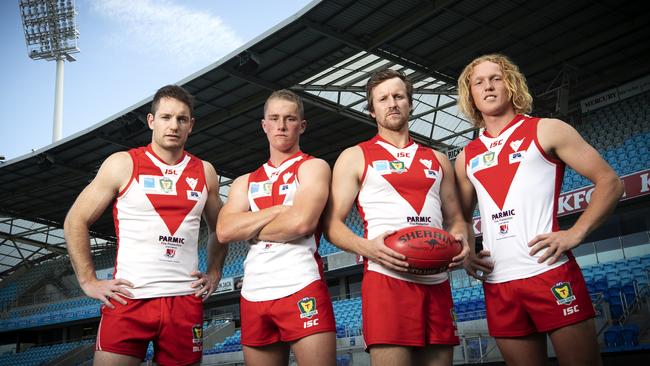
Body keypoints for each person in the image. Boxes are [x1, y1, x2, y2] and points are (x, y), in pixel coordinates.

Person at [455, 53, 624, 366]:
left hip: (549, 271)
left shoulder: (548, 129)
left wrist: (576, 232)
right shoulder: (467, 156)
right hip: (498, 281)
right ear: (471, 95)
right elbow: (461, 216)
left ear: (512, 85)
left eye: (496, 78)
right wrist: (467, 250)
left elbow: (610, 183)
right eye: (479, 82)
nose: (488, 87)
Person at [64, 85, 227, 366]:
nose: (173, 125)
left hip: (183, 301)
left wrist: (214, 272)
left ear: (191, 125)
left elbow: (221, 229)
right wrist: (88, 281)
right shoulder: (123, 164)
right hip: (129, 299)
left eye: (181, 119)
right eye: (165, 117)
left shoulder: (205, 171)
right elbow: (75, 220)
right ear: (151, 121)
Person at [323, 69, 470, 366]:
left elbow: (456, 219)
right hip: (386, 281)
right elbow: (331, 225)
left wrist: (461, 241)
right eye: (383, 98)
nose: (392, 103)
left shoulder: (439, 159)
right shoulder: (356, 156)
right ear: (372, 108)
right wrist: (367, 248)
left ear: (410, 103)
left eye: (398, 96)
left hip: (437, 281)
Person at [216, 90, 336, 366]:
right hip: (254, 292)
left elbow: (302, 222)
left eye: (290, 119)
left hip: (301, 284)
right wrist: (278, 211)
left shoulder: (313, 167)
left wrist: (248, 225)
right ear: (264, 125)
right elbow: (224, 231)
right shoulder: (244, 182)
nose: (281, 125)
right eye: (275, 118)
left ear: (301, 125)